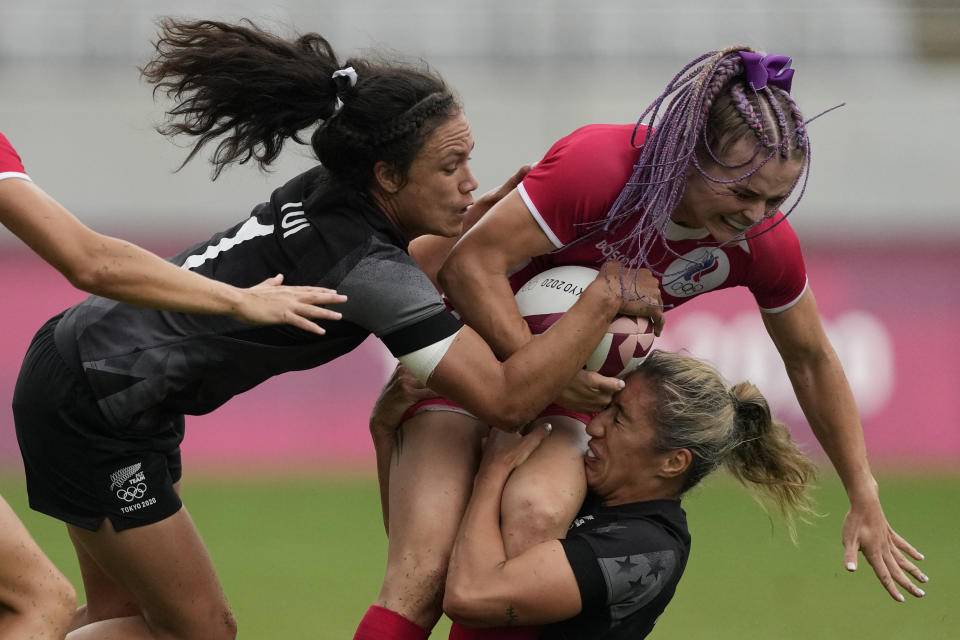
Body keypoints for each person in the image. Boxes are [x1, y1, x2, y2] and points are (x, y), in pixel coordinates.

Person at [11, 19, 660, 640]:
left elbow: (407, 272)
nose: (469, 182)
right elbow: (501, 398)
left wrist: (483, 224)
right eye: (449, 167)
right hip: (97, 401)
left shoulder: (339, 199)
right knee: (200, 630)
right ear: (386, 175)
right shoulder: (364, 264)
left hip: (96, 371)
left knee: (122, 618)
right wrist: (597, 305)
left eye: (469, 160)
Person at [360, 45, 927, 640]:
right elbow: (470, 267)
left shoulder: (762, 240)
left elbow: (810, 359)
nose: (758, 216)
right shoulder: (600, 167)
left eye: (776, 200)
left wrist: (863, 490)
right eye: (744, 192)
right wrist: (531, 368)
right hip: (474, 359)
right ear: (693, 157)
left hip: (571, 391)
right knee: (420, 579)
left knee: (533, 523)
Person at [1, 129, 348, 639]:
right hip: (87, 387)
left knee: (118, 618)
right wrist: (236, 300)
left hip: (91, 383)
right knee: (44, 603)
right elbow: (89, 260)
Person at [391, 350, 815, 640]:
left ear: (673, 462)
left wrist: (493, 471)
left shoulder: (645, 549)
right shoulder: (583, 486)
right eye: (605, 409)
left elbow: (468, 596)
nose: (594, 427)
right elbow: (434, 553)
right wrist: (382, 430)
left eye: (620, 419)